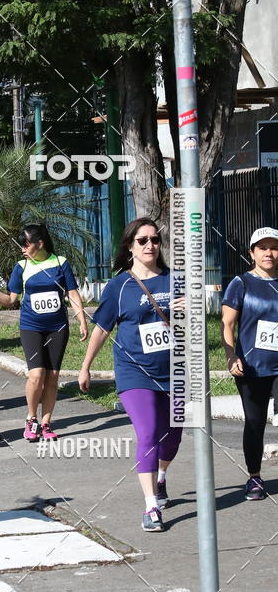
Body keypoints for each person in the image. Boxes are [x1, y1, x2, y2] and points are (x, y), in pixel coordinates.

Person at [78, 218, 183, 533]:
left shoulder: (175, 281)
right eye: (142, 240)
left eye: (154, 239)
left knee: (172, 438)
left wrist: (188, 313)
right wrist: (85, 366)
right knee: (149, 434)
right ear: (129, 246)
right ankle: (151, 507)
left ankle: (161, 477)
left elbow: (192, 331)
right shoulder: (119, 285)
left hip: (172, 370)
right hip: (134, 371)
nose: (150, 245)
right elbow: (101, 329)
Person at [0, 223, 88, 441]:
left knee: (52, 376)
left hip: (57, 328)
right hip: (31, 327)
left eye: (26, 243)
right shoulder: (21, 266)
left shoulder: (61, 263)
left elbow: (72, 293)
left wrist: (82, 320)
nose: (22, 247)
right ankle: (31, 418)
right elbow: (11, 300)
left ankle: (46, 422)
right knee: (36, 375)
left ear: (39, 243)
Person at [222, 226, 278, 500]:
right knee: (255, 423)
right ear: (252, 253)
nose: (269, 253)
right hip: (252, 367)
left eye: (274, 247)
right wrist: (231, 355)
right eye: (263, 247)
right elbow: (227, 324)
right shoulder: (241, 283)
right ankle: (254, 477)